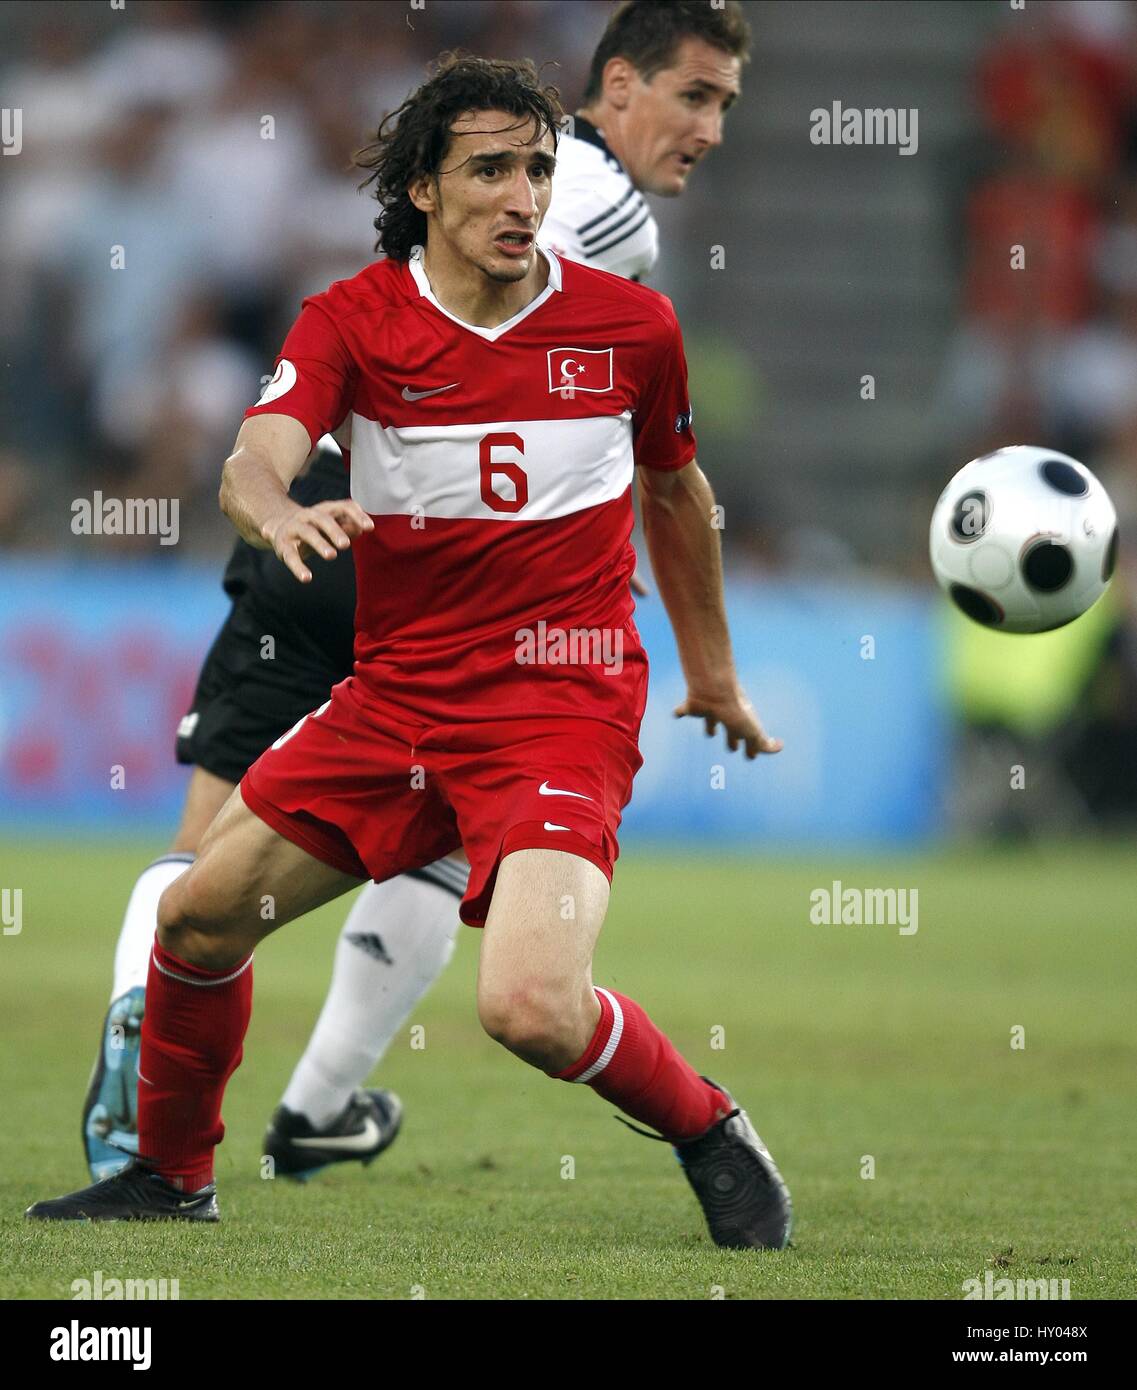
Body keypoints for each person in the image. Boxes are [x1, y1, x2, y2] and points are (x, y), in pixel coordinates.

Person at [31, 50, 791, 1250]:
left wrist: (710, 672)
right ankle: (171, 1175)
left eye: (538, 168)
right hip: (396, 705)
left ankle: (708, 1126)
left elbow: (678, 496)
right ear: (424, 191)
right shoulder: (355, 318)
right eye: (489, 170)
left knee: (531, 1007)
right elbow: (256, 454)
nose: (523, 196)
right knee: (197, 920)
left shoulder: (631, 326)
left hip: (559, 705)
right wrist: (277, 512)